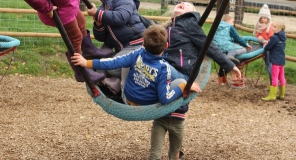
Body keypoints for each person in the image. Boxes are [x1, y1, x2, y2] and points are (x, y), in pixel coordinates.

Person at [142, 2, 242, 160]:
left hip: (180, 76)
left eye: (187, 5)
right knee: (155, 150)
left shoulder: (189, 24)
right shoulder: (166, 28)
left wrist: (229, 65)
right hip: (164, 78)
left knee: (175, 149)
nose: (182, 3)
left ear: (192, 13)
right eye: (179, 4)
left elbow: (208, 47)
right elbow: (149, 33)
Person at [19, 0, 112, 84]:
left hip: (69, 0)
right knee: (75, 38)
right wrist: (46, 7)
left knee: (82, 23)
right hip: (61, 9)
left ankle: (89, 50)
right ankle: (80, 71)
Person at [71, 24, 201, 106]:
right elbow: (164, 99)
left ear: (143, 44)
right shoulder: (164, 68)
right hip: (148, 106)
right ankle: (181, 82)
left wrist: (86, 62)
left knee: (126, 61)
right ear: (166, 46)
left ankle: (116, 83)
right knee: (180, 80)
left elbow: (114, 62)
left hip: (127, 99)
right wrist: (184, 86)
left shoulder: (138, 52)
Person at [213, 14, 252, 84]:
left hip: (215, 46)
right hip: (225, 45)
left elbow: (220, 36)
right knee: (243, 49)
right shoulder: (229, 26)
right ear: (227, 20)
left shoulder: (216, 25)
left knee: (224, 61)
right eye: (232, 21)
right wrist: (246, 44)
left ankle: (221, 81)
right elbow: (237, 38)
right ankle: (231, 54)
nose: (233, 23)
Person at [261, 22, 287, 101]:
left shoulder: (274, 37)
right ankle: (281, 94)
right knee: (281, 76)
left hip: (275, 60)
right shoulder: (283, 37)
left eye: (275, 27)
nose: (273, 28)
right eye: (273, 26)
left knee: (274, 77)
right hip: (281, 60)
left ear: (280, 28)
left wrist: (265, 46)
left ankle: (272, 95)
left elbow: (268, 47)